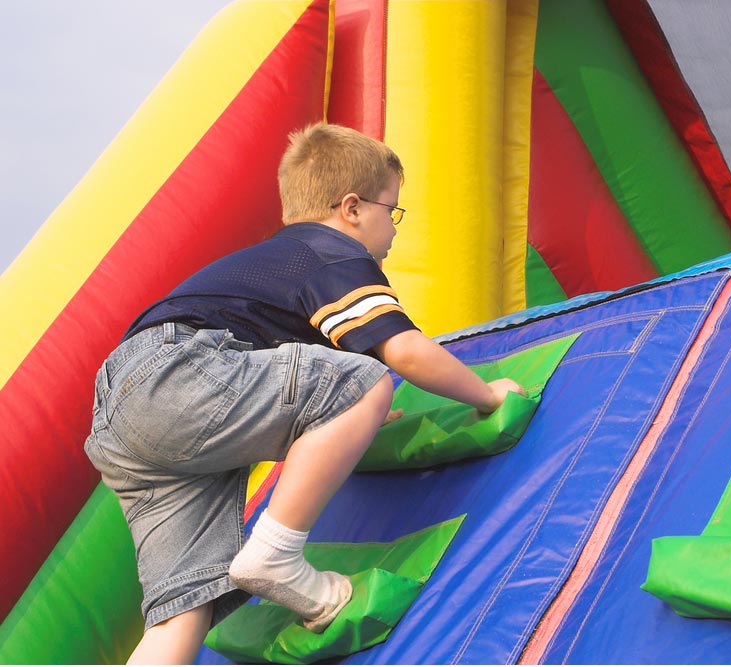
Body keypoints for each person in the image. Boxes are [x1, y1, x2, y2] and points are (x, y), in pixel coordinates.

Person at [84, 122, 525, 664]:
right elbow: (404, 352)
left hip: (123, 413)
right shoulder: (332, 255)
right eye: (394, 211)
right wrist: (487, 394)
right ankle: (276, 555)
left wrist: (344, 419)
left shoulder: (277, 263)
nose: (394, 230)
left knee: (185, 600)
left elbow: (281, 387)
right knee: (367, 381)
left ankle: (315, 596)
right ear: (352, 208)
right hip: (178, 373)